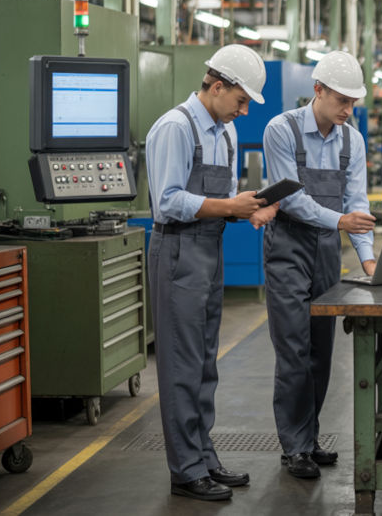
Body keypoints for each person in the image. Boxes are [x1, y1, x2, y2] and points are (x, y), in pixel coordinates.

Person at [145, 44, 268, 501]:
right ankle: (185, 470)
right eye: (239, 100)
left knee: (203, 363)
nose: (242, 111)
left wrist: (247, 208)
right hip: (177, 251)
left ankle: (204, 454)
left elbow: (226, 194)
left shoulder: (226, 132)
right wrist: (227, 206)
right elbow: (168, 201)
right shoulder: (175, 128)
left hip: (209, 248)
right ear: (216, 86)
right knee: (179, 364)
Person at [252, 51, 377, 479]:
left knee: (322, 351)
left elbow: (356, 203)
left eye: (354, 103)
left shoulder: (352, 140)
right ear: (318, 91)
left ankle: (309, 438)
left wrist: (368, 257)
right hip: (288, 246)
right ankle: (294, 447)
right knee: (293, 350)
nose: (348, 110)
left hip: (326, 250)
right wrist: (340, 220)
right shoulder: (280, 130)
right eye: (342, 100)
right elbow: (292, 200)